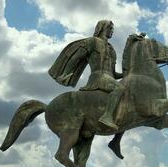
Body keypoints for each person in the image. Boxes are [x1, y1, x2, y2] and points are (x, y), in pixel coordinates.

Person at [48, 20, 125, 158]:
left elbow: (114, 73)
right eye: (109, 27)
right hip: (98, 77)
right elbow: (77, 57)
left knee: (128, 99)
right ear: (101, 28)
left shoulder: (112, 49)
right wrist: (67, 73)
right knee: (119, 88)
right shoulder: (92, 42)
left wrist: (128, 73)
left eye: (113, 28)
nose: (111, 30)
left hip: (109, 78)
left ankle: (116, 140)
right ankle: (107, 117)